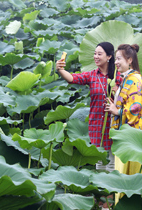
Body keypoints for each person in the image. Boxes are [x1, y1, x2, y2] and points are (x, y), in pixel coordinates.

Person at [56, 42, 122, 210]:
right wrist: (60, 70)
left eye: (99, 54)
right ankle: (102, 204)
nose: (95, 57)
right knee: (100, 166)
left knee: (113, 166)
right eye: (94, 53)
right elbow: (72, 78)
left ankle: (110, 203)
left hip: (114, 128)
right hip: (96, 127)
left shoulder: (119, 77)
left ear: (109, 57)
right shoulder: (92, 75)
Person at [105, 43, 142, 205]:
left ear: (129, 60)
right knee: (123, 176)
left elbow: (135, 108)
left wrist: (117, 112)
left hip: (132, 137)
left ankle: (122, 205)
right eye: (115, 59)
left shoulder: (134, 79)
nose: (115, 62)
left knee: (126, 178)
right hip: (125, 136)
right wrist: (115, 101)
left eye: (118, 59)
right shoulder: (127, 78)